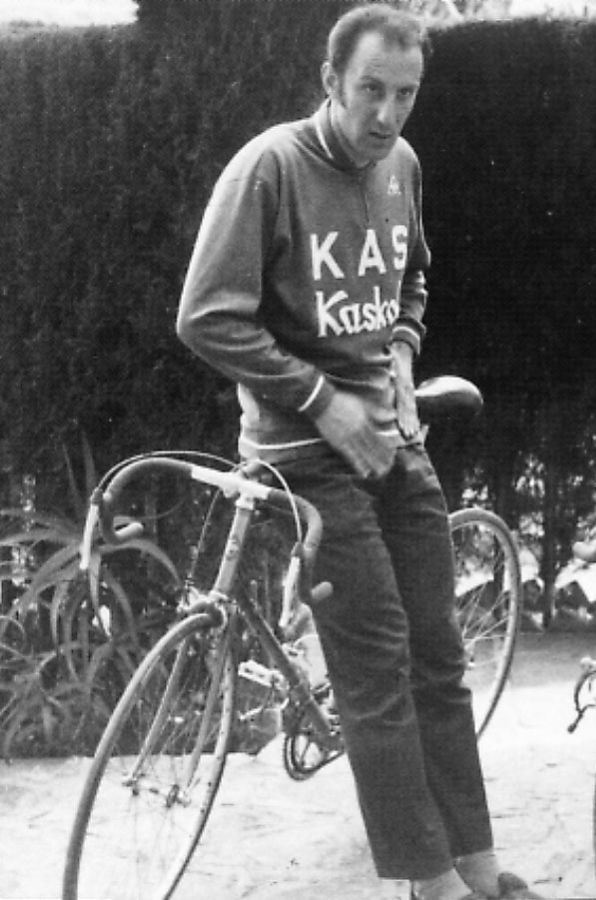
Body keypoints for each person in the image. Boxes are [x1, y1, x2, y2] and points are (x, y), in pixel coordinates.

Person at [176, 6, 540, 899]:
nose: (386, 114)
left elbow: (412, 274)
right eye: (371, 90)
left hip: (388, 439)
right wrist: (321, 401)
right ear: (332, 80)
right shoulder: (269, 167)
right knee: (376, 667)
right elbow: (206, 317)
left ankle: (478, 865)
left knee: (440, 657)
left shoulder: (401, 166)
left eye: (405, 95)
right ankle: (429, 882)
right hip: (301, 455)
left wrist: (405, 353)